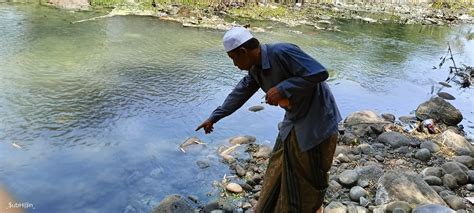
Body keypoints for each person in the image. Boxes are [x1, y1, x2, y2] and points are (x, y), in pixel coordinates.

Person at [196, 26, 342, 213]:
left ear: (243, 52)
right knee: (277, 168)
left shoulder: (282, 51)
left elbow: (320, 73)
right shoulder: (256, 69)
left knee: (309, 177)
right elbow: (240, 93)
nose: (234, 65)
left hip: (317, 122)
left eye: (234, 59)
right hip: (293, 122)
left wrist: (283, 88)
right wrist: (214, 117)